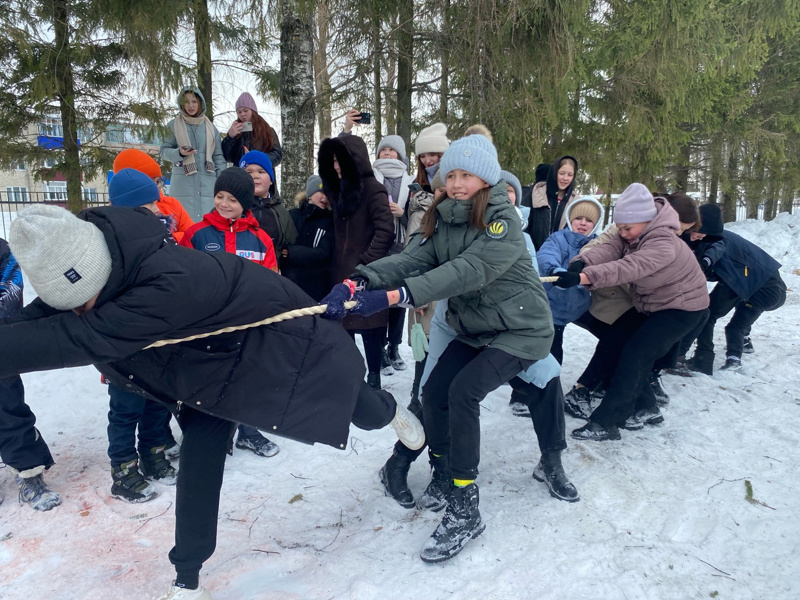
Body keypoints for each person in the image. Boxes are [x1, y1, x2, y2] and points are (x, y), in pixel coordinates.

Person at [1, 203, 424, 600]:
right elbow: (46, 317)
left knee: (360, 410)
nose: (79, 312)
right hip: (211, 374)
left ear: (98, 276)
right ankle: (187, 578)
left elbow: (71, 339)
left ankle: (390, 411)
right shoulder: (106, 261)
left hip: (283, 345)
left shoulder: (163, 286)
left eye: (82, 304)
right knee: (200, 466)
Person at [341, 133, 555, 562]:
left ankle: (465, 505)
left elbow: (468, 271)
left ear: (487, 179)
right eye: (450, 174)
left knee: (463, 393)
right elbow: (411, 259)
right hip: (474, 328)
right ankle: (441, 469)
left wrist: (397, 297)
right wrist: (362, 278)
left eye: (467, 175)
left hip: (521, 331)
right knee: (434, 393)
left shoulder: (503, 221)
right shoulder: (443, 216)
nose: (457, 183)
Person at [564, 184, 710, 441]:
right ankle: (646, 408)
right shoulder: (635, 232)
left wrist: (585, 277)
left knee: (636, 354)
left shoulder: (662, 243)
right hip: (655, 303)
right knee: (622, 343)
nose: (623, 234)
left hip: (683, 308)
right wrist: (584, 261)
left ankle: (607, 422)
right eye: (619, 228)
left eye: (626, 229)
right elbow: (612, 248)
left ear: (647, 220)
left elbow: (628, 267)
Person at [180, 167, 281, 458]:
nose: (224, 204)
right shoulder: (196, 234)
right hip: (205, 324)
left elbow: (271, 283)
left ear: (246, 204)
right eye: (220, 196)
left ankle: (248, 431)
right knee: (207, 379)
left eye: (233, 200)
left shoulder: (261, 239)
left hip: (246, 323)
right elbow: (182, 278)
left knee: (245, 378)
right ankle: (210, 432)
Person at [104, 169, 181, 502]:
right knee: (125, 409)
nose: (158, 207)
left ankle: (153, 454)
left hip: (160, 341)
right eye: (151, 203)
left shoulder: (165, 236)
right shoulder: (105, 244)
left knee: (158, 403)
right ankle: (123, 469)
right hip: (123, 346)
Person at [317, 132, 395, 389]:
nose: (337, 166)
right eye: (335, 161)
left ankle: (374, 378)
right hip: (339, 272)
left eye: (343, 160)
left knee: (371, 327)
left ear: (357, 159)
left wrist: (366, 264)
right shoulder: (338, 192)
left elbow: (386, 231)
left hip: (368, 274)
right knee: (344, 326)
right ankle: (352, 378)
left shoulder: (374, 189)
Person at [679, 203, 786, 375]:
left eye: (697, 232)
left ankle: (704, 359)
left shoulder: (715, 240)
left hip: (763, 287)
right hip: (754, 281)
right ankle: (743, 342)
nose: (694, 236)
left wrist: (702, 266)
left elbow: (713, 256)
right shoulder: (707, 236)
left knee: (709, 313)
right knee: (732, 312)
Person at [0, 238, 61, 511]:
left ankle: (29, 474)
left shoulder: (1, 251)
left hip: (0, 349)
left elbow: (10, 292)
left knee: (9, 412)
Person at [537, 197, 604, 364]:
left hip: (583, 305)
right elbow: (546, 256)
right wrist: (555, 271)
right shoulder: (557, 239)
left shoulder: (600, 246)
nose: (583, 223)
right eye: (578, 218)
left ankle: (597, 380)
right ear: (569, 220)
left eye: (589, 220)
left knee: (613, 337)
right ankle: (549, 384)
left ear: (595, 224)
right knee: (552, 352)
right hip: (554, 306)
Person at [370, 133, 414, 376]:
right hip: (376, 244)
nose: (386, 154)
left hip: (401, 245)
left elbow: (420, 217)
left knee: (398, 300)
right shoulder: (371, 179)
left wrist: (402, 214)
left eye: (391, 150)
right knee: (378, 298)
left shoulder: (411, 182)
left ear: (400, 155)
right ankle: (380, 348)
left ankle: (395, 346)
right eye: (383, 150)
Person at [159, 86, 227, 222]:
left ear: (200, 103)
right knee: (182, 225)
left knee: (207, 227)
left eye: (194, 101)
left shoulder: (211, 128)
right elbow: (164, 151)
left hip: (208, 185)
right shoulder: (173, 125)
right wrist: (179, 153)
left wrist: (221, 182)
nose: (191, 106)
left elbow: (218, 157)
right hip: (182, 185)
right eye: (187, 102)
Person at [112, 148, 194, 243]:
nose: (157, 187)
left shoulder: (172, 204)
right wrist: (178, 238)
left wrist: (171, 239)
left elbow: (194, 235)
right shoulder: (123, 213)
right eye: (151, 182)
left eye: (158, 181)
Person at [280, 175, 334, 301]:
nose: (325, 197)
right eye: (321, 192)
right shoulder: (292, 216)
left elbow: (324, 253)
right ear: (310, 194)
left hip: (317, 287)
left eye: (329, 193)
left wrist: (292, 252)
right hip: (289, 283)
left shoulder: (330, 222)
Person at [238, 151, 297, 263]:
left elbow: (291, 247)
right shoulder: (230, 208)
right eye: (249, 172)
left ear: (271, 179)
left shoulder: (282, 213)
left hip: (272, 273)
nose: (255, 176)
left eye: (261, 171)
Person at [525, 156, 579, 250]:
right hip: (532, 255)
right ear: (554, 173)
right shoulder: (536, 194)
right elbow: (523, 224)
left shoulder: (575, 202)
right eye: (562, 173)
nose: (565, 178)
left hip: (558, 258)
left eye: (570, 175)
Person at [221, 92, 282, 168]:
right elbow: (227, 157)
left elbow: (277, 155)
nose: (242, 114)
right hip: (240, 175)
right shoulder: (235, 132)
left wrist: (257, 157)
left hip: (262, 174)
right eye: (239, 112)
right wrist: (230, 137)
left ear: (253, 111)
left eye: (245, 110)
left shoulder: (267, 130)